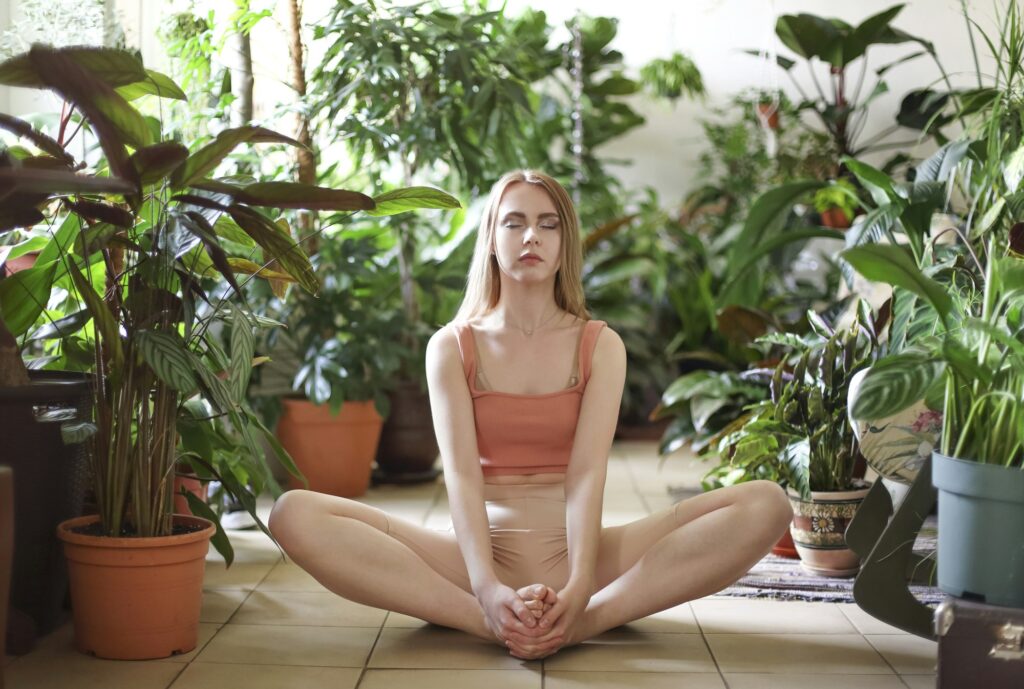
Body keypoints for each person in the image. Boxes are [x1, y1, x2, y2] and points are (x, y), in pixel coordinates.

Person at [268, 170, 793, 660]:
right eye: (513, 222)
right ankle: (486, 621)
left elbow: (588, 475)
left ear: (565, 244)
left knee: (766, 504)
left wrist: (582, 585)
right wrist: (486, 586)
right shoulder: (451, 347)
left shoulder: (600, 345)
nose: (530, 237)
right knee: (292, 513)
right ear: (492, 240)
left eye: (548, 224)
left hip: (585, 553)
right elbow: (463, 478)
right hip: (474, 558)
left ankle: (583, 622)